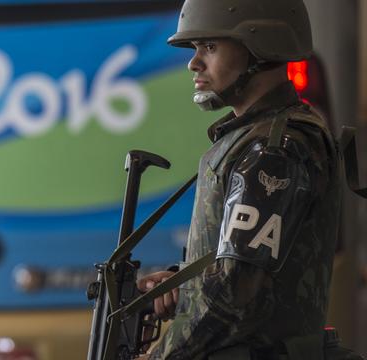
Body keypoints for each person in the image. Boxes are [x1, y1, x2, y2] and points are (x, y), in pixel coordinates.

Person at [137, 0, 349, 359]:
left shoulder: (273, 150)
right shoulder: (254, 138)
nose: (194, 62)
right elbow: (247, 268)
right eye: (195, 48)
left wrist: (161, 356)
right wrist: (183, 284)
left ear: (260, 48)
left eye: (210, 47)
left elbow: (233, 294)